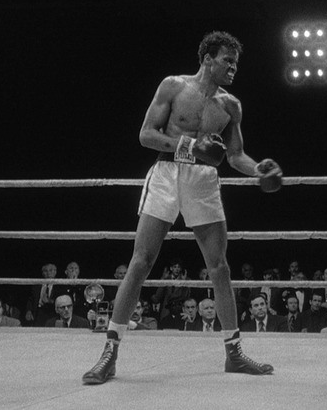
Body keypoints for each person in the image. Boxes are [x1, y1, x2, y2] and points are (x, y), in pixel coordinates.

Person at [83, 31, 282, 384]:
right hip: (166, 174)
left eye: (236, 63)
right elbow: (146, 134)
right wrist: (190, 146)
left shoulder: (231, 106)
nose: (233, 68)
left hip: (203, 181)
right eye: (227, 61)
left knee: (219, 266)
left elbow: (235, 155)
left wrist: (259, 170)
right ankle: (109, 353)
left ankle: (234, 353)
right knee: (141, 261)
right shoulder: (174, 86)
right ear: (207, 59)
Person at [25, 263, 58, 327]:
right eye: (45, 271)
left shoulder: (59, 286)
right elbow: (31, 300)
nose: (48, 273)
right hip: (38, 312)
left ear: (55, 272)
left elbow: (60, 300)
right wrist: (28, 311)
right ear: (42, 273)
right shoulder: (36, 286)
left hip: (52, 312)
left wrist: (49, 301)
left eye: (51, 270)